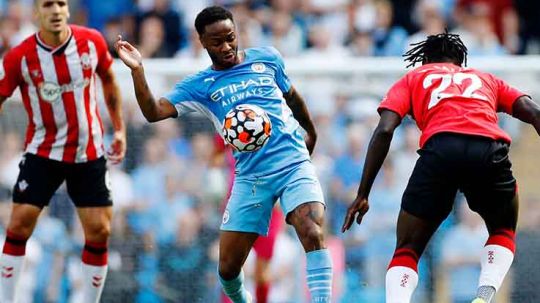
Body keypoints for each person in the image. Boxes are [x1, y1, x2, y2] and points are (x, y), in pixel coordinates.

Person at [116, 5, 332, 303]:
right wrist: (138, 70)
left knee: (311, 229)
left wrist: (312, 131)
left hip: (293, 164)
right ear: (202, 42)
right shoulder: (200, 86)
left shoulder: (266, 58)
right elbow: (153, 111)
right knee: (228, 269)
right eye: (217, 42)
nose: (227, 46)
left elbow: (292, 96)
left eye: (231, 37)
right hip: (251, 178)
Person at [342, 31, 540, 303]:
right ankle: (484, 296)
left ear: (425, 60)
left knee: (407, 249)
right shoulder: (485, 79)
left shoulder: (414, 78)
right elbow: (533, 112)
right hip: (488, 151)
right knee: (503, 229)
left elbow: (385, 129)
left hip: (440, 151)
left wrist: (363, 192)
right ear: (461, 62)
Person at [0, 1, 126, 302]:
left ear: (68, 9)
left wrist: (119, 128)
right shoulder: (20, 57)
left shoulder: (92, 41)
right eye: (47, 4)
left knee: (99, 231)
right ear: (36, 13)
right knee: (18, 224)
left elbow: (109, 80)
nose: (55, 10)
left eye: (61, 3)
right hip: (43, 152)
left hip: (89, 152)